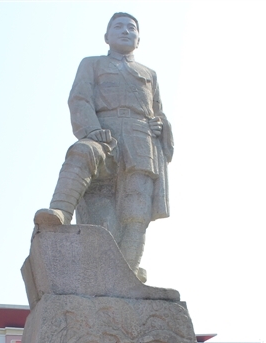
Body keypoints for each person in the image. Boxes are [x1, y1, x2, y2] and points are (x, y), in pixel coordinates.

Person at [34, 12, 173, 284]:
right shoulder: (92, 64)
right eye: (118, 27)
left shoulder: (149, 74)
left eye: (131, 28)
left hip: (141, 141)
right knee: (82, 153)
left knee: (136, 212)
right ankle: (60, 211)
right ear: (106, 37)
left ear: (139, 39)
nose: (125, 31)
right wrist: (91, 129)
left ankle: (128, 272)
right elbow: (79, 98)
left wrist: (160, 125)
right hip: (104, 132)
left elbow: (159, 112)